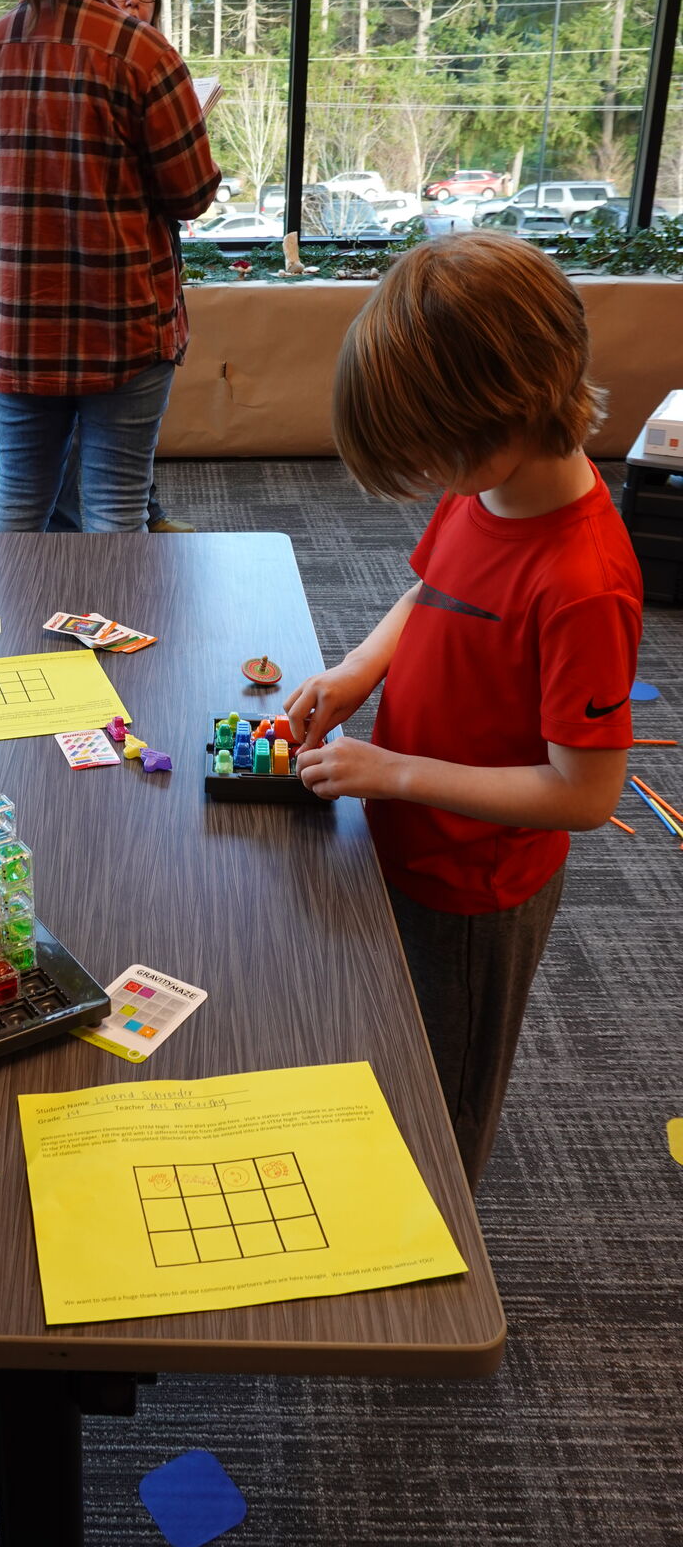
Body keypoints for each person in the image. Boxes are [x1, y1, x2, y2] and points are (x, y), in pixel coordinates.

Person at [284, 232, 642, 1191]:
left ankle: (437, 1252)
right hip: (412, 839)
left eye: (435, 454)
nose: (432, 480)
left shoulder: (583, 584)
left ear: (502, 415)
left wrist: (390, 772)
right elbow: (429, 594)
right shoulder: (485, 491)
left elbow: (585, 793)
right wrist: (361, 668)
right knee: (390, 1042)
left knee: (446, 1096)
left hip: (477, 893)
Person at [0, 0, 220, 532]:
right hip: (123, 330)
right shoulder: (143, 54)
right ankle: (109, 641)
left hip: (14, 331)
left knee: (16, 501)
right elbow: (190, 194)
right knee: (115, 510)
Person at [48, 0, 196, 535]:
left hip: (146, 258)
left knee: (121, 445)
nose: (133, 1)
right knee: (85, 467)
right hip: (89, 279)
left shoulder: (156, 62)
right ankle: (92, 544)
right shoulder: (92, 60)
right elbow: (190, 189)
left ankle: (143, 512)